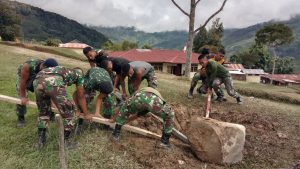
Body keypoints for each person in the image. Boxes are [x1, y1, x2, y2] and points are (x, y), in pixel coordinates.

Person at [33, 66, 92, 148]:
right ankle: (64, 143)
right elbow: (81, 95)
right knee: (70, 112)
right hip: (53, 81)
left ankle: (40, 142)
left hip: (37, 80)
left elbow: (55, 90)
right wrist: (86, 113)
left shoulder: (63, 71)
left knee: (44, 112)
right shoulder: (79, 75)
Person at [110, 87, 174, 148]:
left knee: (125, 110)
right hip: (152, 100)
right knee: (170, 115)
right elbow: (139, 113)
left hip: (137, 98)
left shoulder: (138, 93)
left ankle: (115, 135)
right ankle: (164, 142)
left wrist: (120, 121)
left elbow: (132, 112)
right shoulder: (156, 96)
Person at [16, 58, 58, 128]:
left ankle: (50, 113)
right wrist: (23, 97)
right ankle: (21, 117)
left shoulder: (47, 70)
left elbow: (50, 87)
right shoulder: (28, 66)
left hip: (37, 75)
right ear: (44, 67)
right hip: (24, 75)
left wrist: (53, 101)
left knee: (44, 91)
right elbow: (22, 82)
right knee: (21, 96)